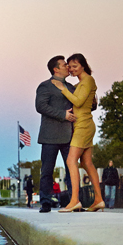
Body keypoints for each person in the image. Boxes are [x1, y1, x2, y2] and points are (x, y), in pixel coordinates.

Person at [52, 53, 105, 212]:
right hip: (84, 124)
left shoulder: (88, 80)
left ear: (83, 65)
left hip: (83, 126)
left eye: (75, 66)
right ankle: (98, 200)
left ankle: (75, 200)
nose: (72, 69)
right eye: (70, 66)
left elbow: (79, 101)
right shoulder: (83, 82)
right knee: (86, 163)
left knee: (70, 161)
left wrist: (63, 89)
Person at [35, 55, 77, 212]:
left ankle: (74, 200)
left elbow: (81, 104)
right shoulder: (45, 86)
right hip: (49, 136)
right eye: (64, 65)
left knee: (71, 169)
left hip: (69, 136)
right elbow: (40, 106)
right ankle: (45, 202)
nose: (68, 67)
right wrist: (63, 114)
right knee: (47, 171)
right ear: (56, 69)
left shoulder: (72, 87)